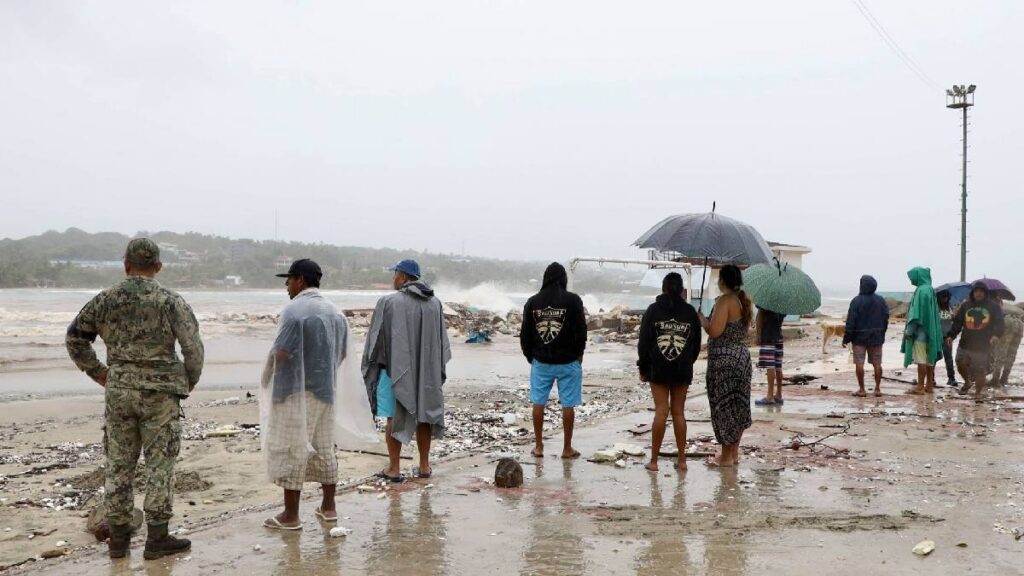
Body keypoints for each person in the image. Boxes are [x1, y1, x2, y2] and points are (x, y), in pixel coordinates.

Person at [65, 238, 203, 560]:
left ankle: (118, 541)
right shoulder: (172, 301)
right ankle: (156, 539)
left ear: (126, 264)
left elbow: (75, 338)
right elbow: (193, 348)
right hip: (160, 394)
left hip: (120, 393)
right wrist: (188, 381)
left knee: (119, 465)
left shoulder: (105, 300)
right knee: (160, 465)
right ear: (158, 266)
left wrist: (99, 372)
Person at [261, 259, 377, 530]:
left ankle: (290, 515)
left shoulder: (294, 311)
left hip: (294, 393)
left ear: (300, 280)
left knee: (292, 448)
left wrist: (266, 377)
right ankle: (329, 507)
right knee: (324, 447)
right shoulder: (334, 312)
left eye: (289, 280)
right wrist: (322, 374)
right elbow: (343, 352)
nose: (286, 286)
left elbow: (281, 353)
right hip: (326, 393)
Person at [363, 260, 451, 482]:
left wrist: (371, 368)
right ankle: (424, 466)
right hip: (426, 372)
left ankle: (394, 468)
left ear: (403, 277)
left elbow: (375, 341)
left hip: (394, 370)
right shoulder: (435, 304)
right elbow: (442, 344)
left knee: (394, 416)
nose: (393, 279)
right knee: (424, 416)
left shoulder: (388, 302)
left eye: (395, 274)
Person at [520, 262, 588, 459]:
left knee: (538, 402)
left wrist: (530, 356)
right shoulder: (573, 300)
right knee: (568, 404)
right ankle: (567, 448)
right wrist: (579, 354)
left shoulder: (533, 302)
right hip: (568, 361)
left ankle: (539, 446)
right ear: (563, 279)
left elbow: (525, 334)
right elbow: (581, 330)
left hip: (541, 361)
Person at [637, 272, 701, 472]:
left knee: (661, 412)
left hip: (658, 367)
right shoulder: (690, 312)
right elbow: (696, 344)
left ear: (664, 288)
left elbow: (644, 343)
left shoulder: (653, 310)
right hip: (682, 368)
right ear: (682, 290)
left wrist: (643, 367)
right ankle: (682, 460)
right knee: (679, 412)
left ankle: (654, 461)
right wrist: (688, 361)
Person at [698, 264, 753, 468]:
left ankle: (725, 457)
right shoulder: (742, 300)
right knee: (737, 406)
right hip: (741, 359)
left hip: (724, 362)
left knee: (724, 407)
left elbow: (715, 331)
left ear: (723, 281)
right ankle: (734, 454)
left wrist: (703, 320)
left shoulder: (725, 300)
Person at [948, 281, 1005, 399]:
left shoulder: (993, 306)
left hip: (982, 344)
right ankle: (967, 382)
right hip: (965, 342)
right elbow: (958, 323)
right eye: (976, 291)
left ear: (985, 293)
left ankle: (978, 393)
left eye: (981, 291)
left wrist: (996, 335)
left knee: (980, 370)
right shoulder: (966, 306)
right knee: (960, 363)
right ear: (972, 293)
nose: (978, 294)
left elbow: (1000, 323)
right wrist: (951, 336)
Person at [842, 275, 890, 397]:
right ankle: (877, 389)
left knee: (859, 363)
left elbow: (851, 321)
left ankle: (862, 389)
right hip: (876, 337)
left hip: (859, 338)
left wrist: (846, 338)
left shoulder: (856, 301)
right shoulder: (881, 300)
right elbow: (885, 318)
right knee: (877, 363)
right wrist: (882, 332)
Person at [901, 267, 944, 395]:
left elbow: (916, 314)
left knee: (921, 360)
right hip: (931, 332)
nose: (911, 281)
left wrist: (909, 331)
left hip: (921, 333)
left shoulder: (921, 290)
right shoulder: (930, 289)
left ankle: (920, 387)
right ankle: (929, 386)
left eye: (912, 278)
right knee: (930, 359)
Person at [753, 306, 786, 406]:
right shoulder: (783, 304)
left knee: (769, 366)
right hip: (778, 337)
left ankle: (769, 396)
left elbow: (759, 318)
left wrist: (758, 335)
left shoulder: (764, 302)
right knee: (778, 367)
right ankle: (779, 394)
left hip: (768, 336)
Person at [990, 294, 1023, 387]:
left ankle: (995, 379)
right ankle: (1004, 378)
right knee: (1012, 353)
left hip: (1007, 321)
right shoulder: (1003, 303)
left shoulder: (991, 303)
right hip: (1019, 323)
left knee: (1001, 352)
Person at [937, 290, 958, 387]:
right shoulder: (935, 308)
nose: (944, 299)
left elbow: (955, 321)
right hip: (937, 336)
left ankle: (951, 378)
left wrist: (954, 316)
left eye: (946, 297)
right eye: (943, 297)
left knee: (949, 358)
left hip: (947, 337)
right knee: (934, 358)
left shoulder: (950, 308)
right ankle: (931, 379)